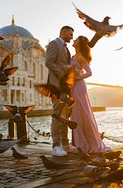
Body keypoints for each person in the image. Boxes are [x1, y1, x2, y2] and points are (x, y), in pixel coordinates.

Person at [70, 36, 110, 153]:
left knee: (82, 113)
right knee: (75, 115)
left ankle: (88, 144)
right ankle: (80, 145)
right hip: (73, 87)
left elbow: (89, 72)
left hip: (79, 86)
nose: (74, 41)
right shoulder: (73, 56)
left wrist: (78, 77)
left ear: (80, 43)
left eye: (76, 39)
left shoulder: (81, 56)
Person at [45, 25, 78, 156]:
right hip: (56, 86)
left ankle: (65, 143)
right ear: (63, 32)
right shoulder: (54, 44)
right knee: (57, 114)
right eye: (70, 34)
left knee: (65, 114)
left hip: (65, 86)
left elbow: (64, 64)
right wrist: (62, 75)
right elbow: (49, 62)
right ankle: (56, 146)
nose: (72, 37)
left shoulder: (65, 48)